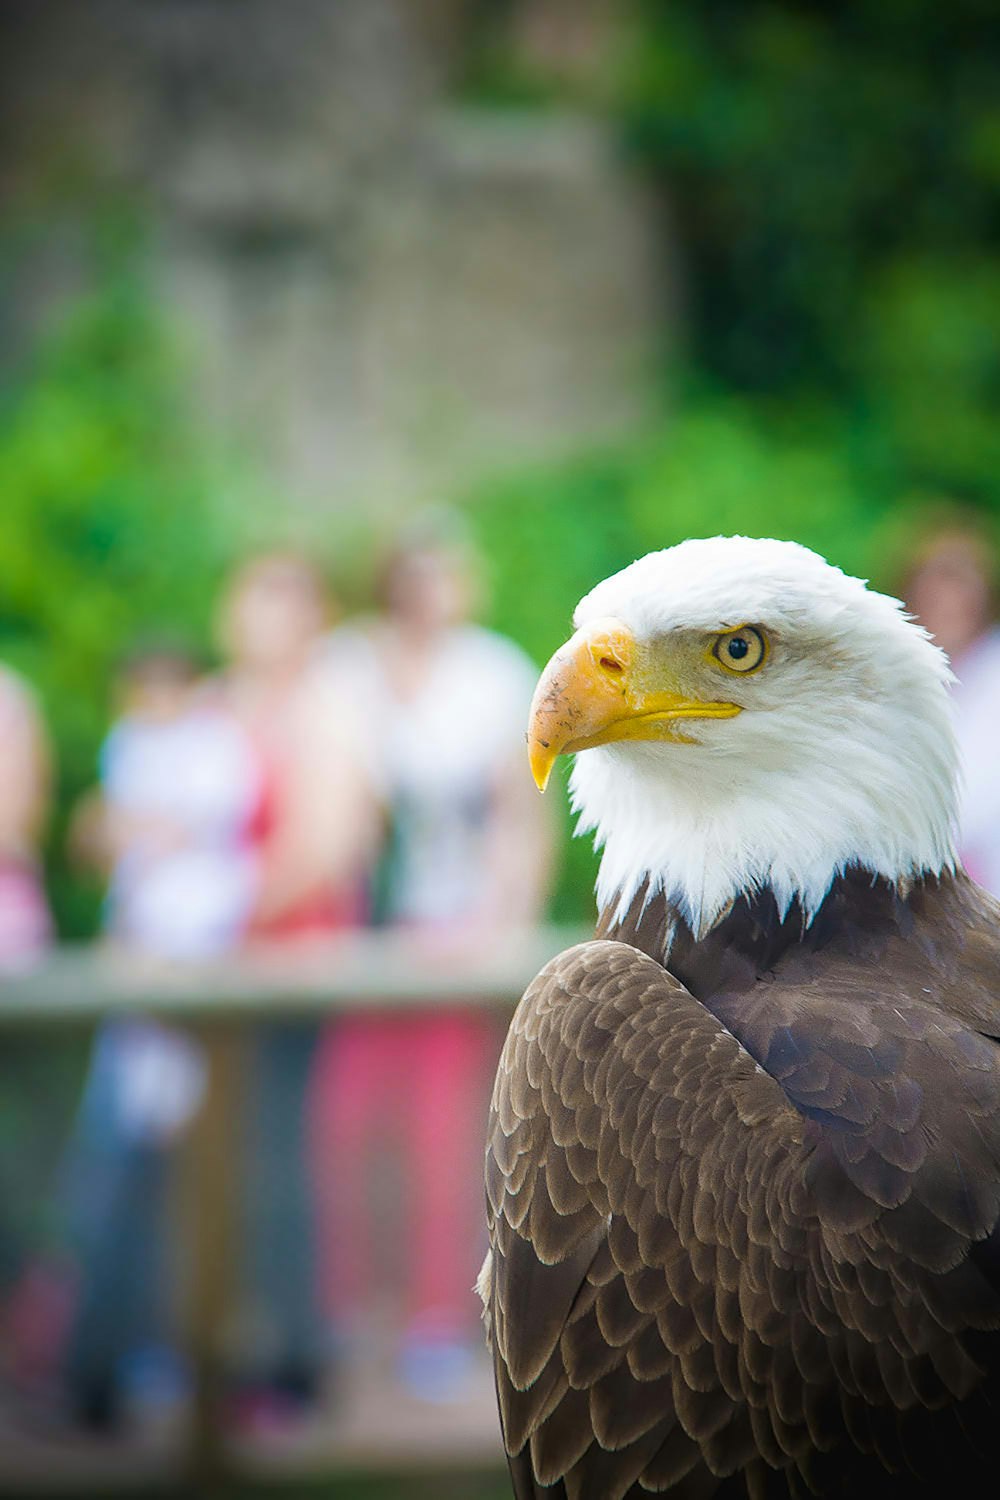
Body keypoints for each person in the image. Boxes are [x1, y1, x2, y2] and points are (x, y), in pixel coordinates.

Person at [308, 520, 554, 1399]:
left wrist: (500, 927)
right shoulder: (345, 666)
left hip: (453, 933)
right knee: (346, 1122)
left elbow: (520, 816)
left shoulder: (493, 672)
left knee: (446, 1127)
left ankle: (437, 1319)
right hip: (358, 932)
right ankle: (344, 1310)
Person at [60, 642, 260, 1430]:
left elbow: (184, 840)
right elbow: (106, 843)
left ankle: (190, 1357)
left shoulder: (214, 748)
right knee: (128, 1163)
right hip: (136, 984)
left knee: (193, 1165)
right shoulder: (131, 745)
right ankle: (127, 1353)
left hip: (199, 980)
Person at [213, 553, 377, 1424]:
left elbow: (326, 846)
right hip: (212, 982)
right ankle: (216, 1345)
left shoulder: (325, 712)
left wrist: (215, 917)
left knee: (283, 1161)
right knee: (219, 1159)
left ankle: (292, 1354)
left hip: (289, 971)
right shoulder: (211, 703)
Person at [902, 517, 1000, 895]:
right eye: (934, 592)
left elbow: (977, 796)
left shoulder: (991, 674)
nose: (946, 605)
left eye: (959, 591)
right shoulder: (905, 677)